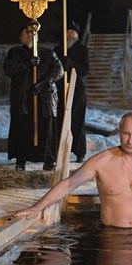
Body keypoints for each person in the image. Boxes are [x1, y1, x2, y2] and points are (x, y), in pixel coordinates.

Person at [3, 25, 64, 171]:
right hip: (23, 99)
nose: (30, 35)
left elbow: (59, 70)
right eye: (26, 33)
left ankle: (49, 159)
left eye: (32, 32)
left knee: (46, 130)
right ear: (21, 37)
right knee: (23, 129)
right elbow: (9, 70)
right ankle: (21, 159)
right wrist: (28, 63)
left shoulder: (47, 53)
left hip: (45, 98)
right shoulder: (15, 53)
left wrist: (43, 83)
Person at [54, 21, 90, 163]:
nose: (70, 34)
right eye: (68, 32)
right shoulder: (58, 49)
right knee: (60, 119)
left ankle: (79, 151)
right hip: (60, 87)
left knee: (77, 119)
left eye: (73, 32)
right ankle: (59, 149)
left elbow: (85, 70)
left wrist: (70, 64)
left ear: (77, 34)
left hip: (77, 88)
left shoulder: (82, 50)